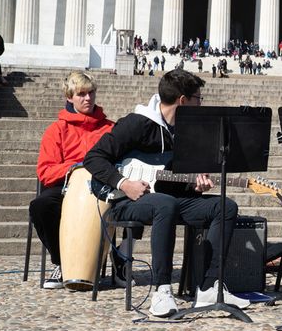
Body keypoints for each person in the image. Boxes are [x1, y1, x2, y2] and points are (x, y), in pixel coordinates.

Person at [83, 70, 248, 317]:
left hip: (164, 198)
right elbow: (93, 158)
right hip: (124, 200)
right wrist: (124, 183)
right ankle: (161, 289)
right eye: (197, 98)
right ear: (183, 100)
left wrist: (194, 185)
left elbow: (171, 181)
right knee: (165, 205)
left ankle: (208, 288)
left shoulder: (186, 132)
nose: (200, 104)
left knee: (225, 207)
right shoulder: (136, 123)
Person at [29, 71, 115, 289]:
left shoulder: (110, 128)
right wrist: (75, 168)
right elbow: (45, 172)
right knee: (41, 206)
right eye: (81, 94)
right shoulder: (56, 130)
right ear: (70, 97)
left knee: (136, 198)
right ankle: (62, 262)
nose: (88, 98)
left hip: (103, 188)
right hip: (66, 189)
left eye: (91, 93)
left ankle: (121, 257)